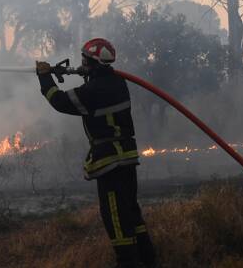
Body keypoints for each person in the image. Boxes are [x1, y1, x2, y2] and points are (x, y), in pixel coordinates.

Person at [37, 37, 157, 268]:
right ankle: (148, 259)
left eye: (84, 60)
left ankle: (127, 262)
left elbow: (60, 101)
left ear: (93, 63)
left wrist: (45, 78)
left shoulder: (94, 90)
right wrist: (88, 73)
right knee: (131, 212)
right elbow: (96, 85)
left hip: (110, 161)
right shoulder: (117, 82)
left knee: (115, 216)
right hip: (126, 158)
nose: (81, 63)